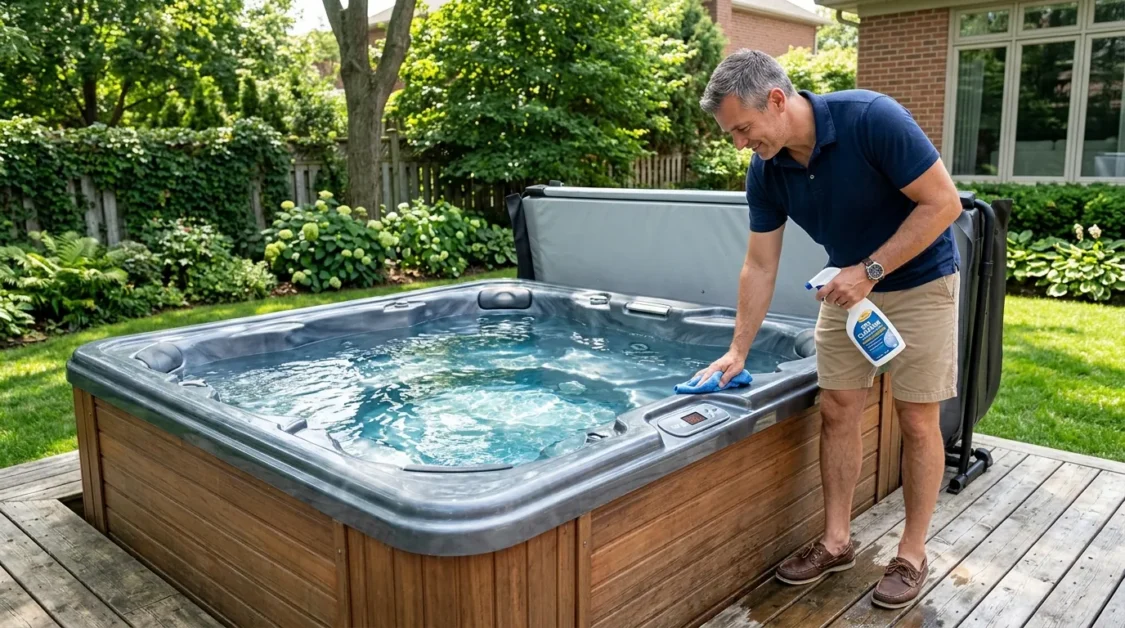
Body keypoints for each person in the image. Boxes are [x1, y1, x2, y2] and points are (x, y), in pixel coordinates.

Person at [694, 49, 963, 609]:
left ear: (776, 100)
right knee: (839, 408)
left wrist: (868, 271)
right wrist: (738, 349)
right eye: (732, 134)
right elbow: (759, 264)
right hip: (847, 293)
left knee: (916, 417)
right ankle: (837, 540)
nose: (740, 144)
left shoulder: (872, 119)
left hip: (917, 283)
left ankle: (912, 554)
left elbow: (944, 204)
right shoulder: (766, 171)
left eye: (743, 129)